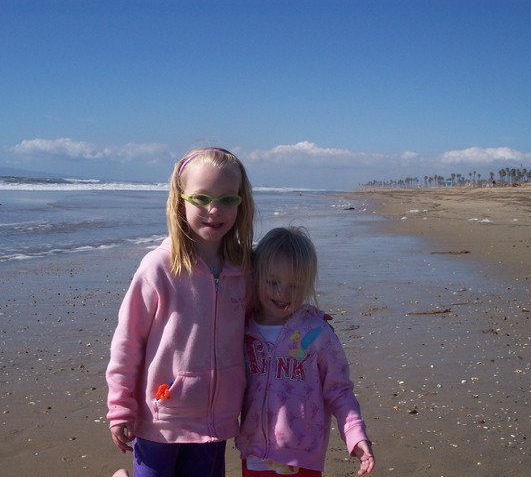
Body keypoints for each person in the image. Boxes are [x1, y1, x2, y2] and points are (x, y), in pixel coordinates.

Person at [106, 147, 255, 477]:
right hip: (163, 415)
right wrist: (120, 406)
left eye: (228, 199)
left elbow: (265, 319)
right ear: (180, 201)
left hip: (218, 418)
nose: (214, 210)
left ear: (241, 203)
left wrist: (304, 319)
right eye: (201, 198)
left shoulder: (244, 271)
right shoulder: (159, 267)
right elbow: (127, 342)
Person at [236, 227, 375, 476]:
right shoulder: (244, 330)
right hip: (254, 453)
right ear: (256, 276)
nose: (282, 293)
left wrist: (355, 434)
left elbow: (339, 390)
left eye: (294, 286)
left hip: (302, 457)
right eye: (272, 282)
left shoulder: (317, 334)